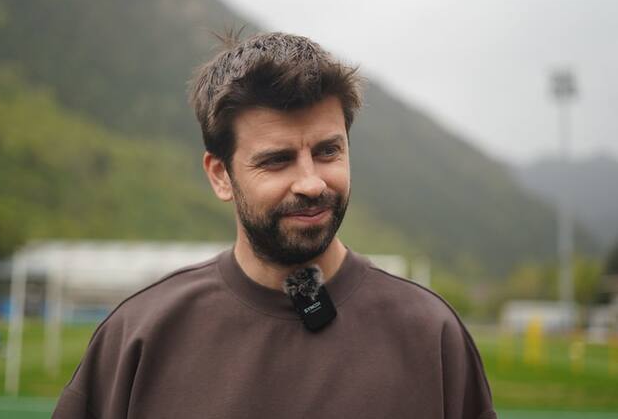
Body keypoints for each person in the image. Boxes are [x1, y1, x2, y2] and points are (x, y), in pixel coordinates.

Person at [53, 32, 497, 419]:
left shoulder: (431, 334)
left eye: (328, 152)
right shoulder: (138, 337)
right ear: (220, 175)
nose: (311, 183)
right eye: (277, 160)